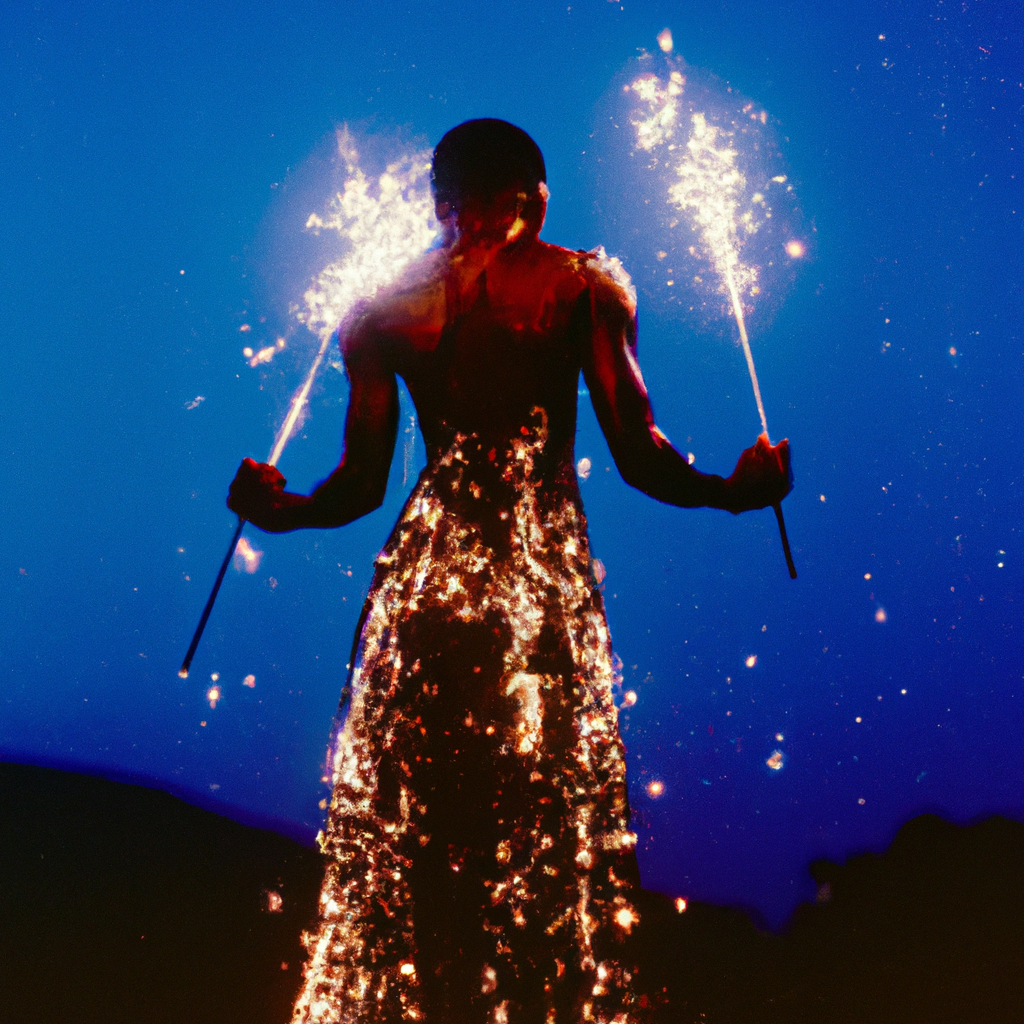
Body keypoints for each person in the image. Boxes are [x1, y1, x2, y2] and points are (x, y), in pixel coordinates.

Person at [229, 119, 792, 1024]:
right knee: (538, 837)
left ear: (438, 204)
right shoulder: (582, 284)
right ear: (534, 196)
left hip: (422, 582)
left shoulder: (380, 309)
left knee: (420, 836)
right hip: (532, 582)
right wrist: (738, 490)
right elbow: (641, 456)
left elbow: (358, 489)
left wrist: (275, 508)